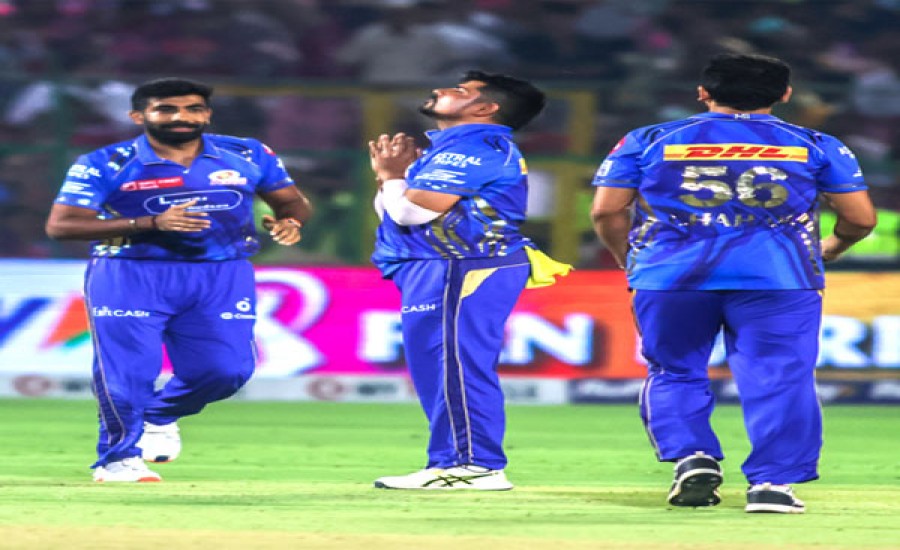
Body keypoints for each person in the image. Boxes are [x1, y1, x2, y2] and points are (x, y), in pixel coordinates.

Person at [590, 53, 877, 513]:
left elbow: (607, 210)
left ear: (704, 92)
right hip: (779, 278)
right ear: (785, 94)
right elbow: (860, 219)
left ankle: (692, 458)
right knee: (781, 376)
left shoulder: (648, 139)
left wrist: (631, 260)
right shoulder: (816, 144)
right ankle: (772, 485)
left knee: (674, 370)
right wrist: (831, 248)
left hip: (671, 275)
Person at [45, 78, 312, 482]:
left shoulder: (247, 153)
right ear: (139, 116)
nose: (181, 117)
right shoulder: (105, 162)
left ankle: (159, 415)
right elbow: (62, 226)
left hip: (222, 273)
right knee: (129, 373)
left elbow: (291, 202)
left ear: (207, 114)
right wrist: (151, 223)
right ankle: (117, 459)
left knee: (226, 371)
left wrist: (290, 222)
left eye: (193, 108)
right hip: (131, 272)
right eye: (166, 109)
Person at [368, 70, 565, 490]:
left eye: (460, 91)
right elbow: (393, 214)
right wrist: (390, 178)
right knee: (438, 367)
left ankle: (476, 464)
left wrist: (391, 177)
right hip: (443, 264)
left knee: (456, 364)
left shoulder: (475, 147)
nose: (440, 90)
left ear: (485, 108)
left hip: (465, 265)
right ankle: (450, 461)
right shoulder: (451, 147)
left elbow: (411, 212)